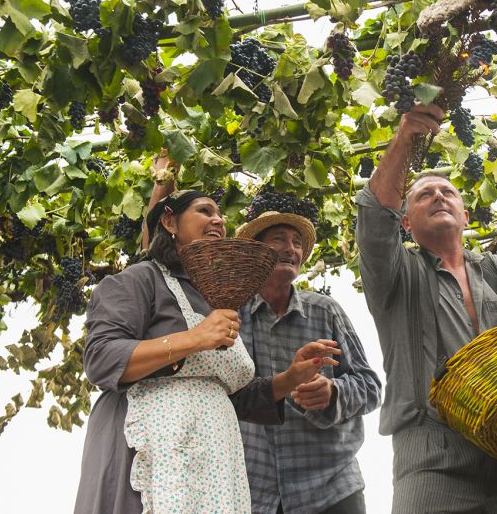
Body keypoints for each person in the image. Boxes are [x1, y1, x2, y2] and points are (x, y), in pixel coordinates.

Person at [355, 103, 497, 514]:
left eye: (448, 193)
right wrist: (406, 136)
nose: (439, 196)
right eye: (424, 194)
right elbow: (374, 215)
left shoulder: (493, 269)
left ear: (464, 214)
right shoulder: (396, 273)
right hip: (432, 457)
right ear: (405, 223)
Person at [74, 189, 341, 514]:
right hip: (151, 451)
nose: (218, 220)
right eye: (204, 211)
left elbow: (232, 395)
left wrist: (289, 378)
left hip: (213, 465)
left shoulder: (213, 299)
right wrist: (195, 338)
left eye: (220, 215)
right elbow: (102, 359)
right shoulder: (138, 280)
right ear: (169, 221)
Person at [144, 177, 381, 514]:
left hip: (330, 487)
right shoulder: (223, 314)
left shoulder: (326, 311)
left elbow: (370, 387)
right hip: (253, 493)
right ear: (253, 253)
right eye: (279, 240)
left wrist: (333, 393)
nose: (291, 249)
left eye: (297, 242)